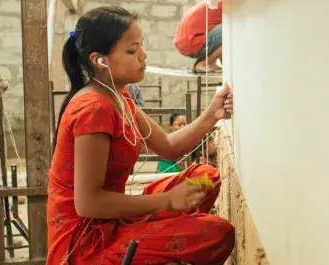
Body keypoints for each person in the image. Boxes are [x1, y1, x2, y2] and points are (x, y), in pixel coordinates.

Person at [48, 6, 235, 265]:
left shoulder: (119, 97)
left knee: (206, 179)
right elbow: (88, 204)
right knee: (217, 232)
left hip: (115, 218)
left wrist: (212, 113)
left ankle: (161, 231)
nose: (143, 56)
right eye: (132, 50)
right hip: (88, 241)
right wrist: (166, 201)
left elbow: (168, 147)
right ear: (98, 59)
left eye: (141, 47)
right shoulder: (93, 108)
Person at [173, 0, 222, 73]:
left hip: (186, 42)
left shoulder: (216, 2)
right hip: (192, 41)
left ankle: (200, 64)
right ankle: (206, 63)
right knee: (232, 30)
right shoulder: (226, 5)